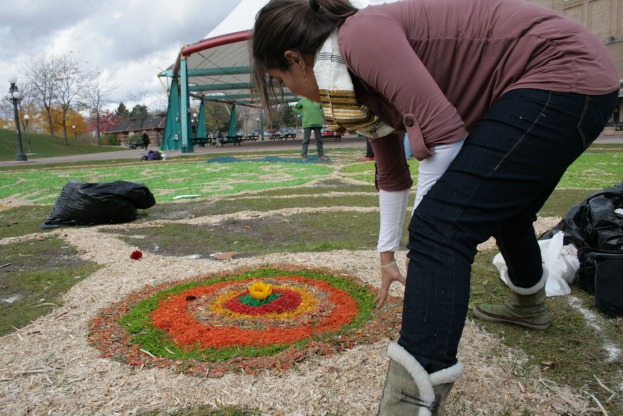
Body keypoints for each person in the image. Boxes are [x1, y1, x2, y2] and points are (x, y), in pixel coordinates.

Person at [251, 0, 619, 414]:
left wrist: (428, 241)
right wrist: (387, 254)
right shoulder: (350, 81)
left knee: (440, 227)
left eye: (281, 80)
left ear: (295, 59)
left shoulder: (360, 36)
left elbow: (442, 135)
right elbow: (391, 173)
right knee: (502, 207)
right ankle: (529, 305)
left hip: (559, 72)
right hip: (565, 80)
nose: (290, 90)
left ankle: (409, 404)